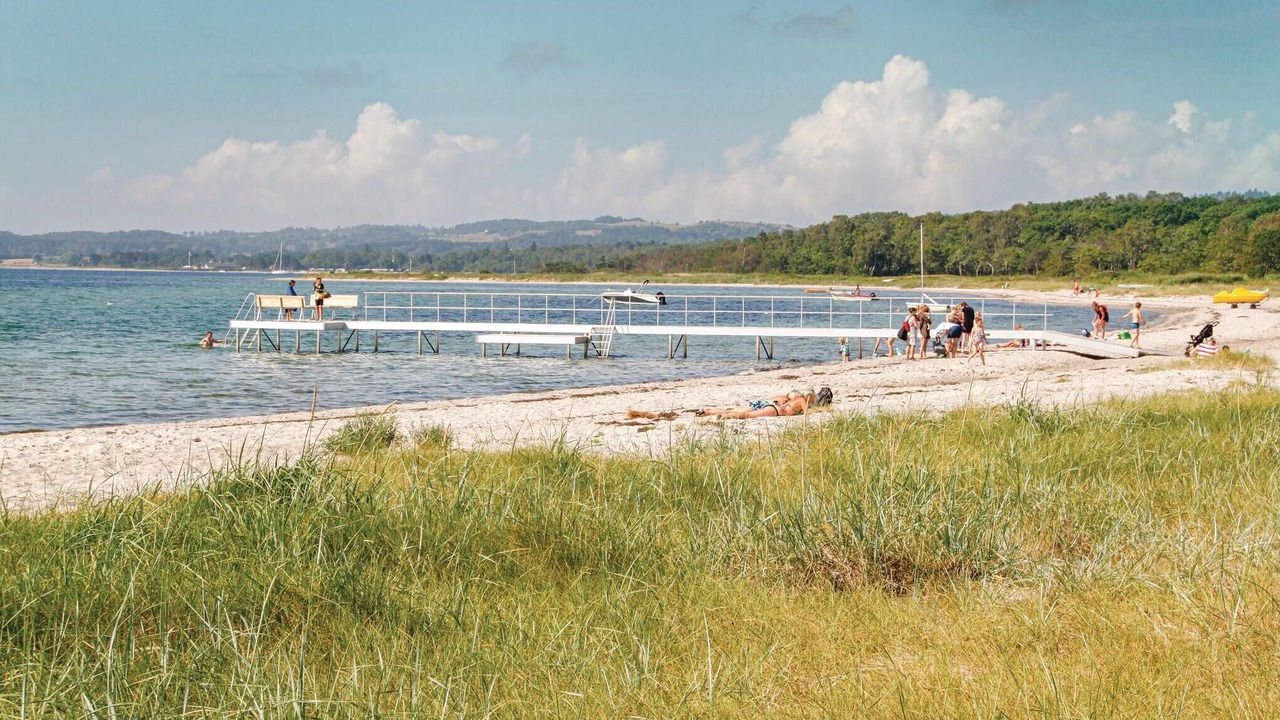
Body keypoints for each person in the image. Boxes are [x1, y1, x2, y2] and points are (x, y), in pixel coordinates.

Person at [700, 389, 824, 419]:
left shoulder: (791, 399)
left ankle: (708, 412)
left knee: (740, 411)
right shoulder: (802, 400)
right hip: (776, 411)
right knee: (748, 416)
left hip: (772, 406)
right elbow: (807, 413)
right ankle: (726, 416)